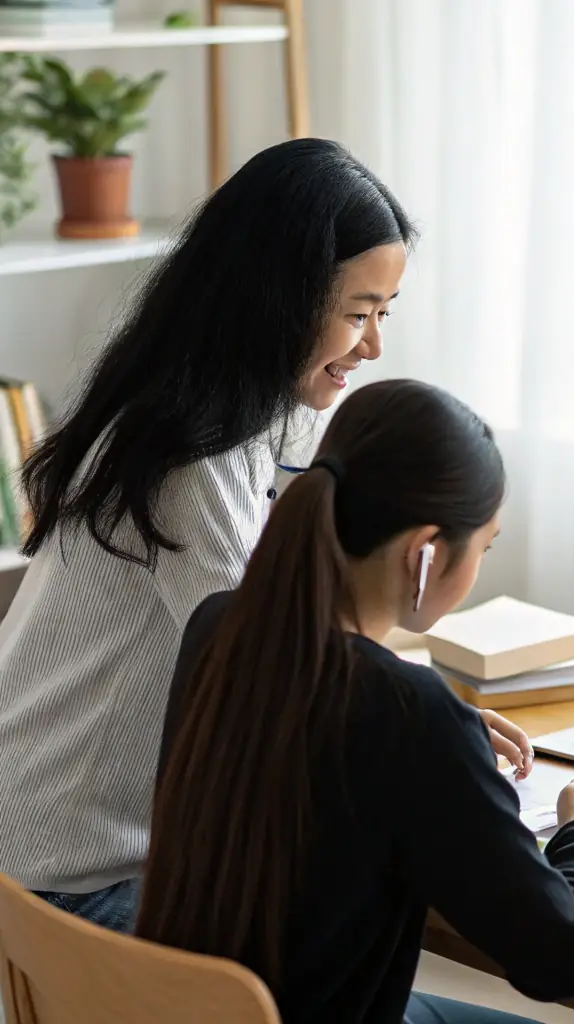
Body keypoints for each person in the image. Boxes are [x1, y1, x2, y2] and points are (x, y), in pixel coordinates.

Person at [0, 138, 425, 930]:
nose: (373, 346)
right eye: (358, 315)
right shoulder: (197, 456)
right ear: (282, 302)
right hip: (68, 875)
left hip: (36, 844)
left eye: (382, 314)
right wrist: (429, 723)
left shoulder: (189, 409)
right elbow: (270, 664)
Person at [134, 379, 574, 1024]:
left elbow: (323, 732)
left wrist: (443, 733)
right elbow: (564, 955)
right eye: (485, 545)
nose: (480, 562)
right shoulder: (406, 714)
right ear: (424, 555)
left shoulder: (219, 628)